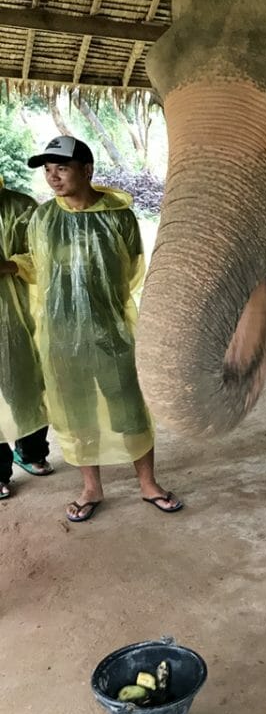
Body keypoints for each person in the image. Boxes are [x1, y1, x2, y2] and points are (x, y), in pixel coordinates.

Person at [5, 135, 181, 521]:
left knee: (129, 406)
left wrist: (102, 304)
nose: (53, 177)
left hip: (110, 327)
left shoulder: (119, 216)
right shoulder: (43, 218)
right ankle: (91, 488)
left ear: (87, 171)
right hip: (61, 333)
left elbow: (132, 269)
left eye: (61, 168)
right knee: (76, 410)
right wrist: (12, 266)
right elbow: (36, 267)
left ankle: (148, 483)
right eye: (48, 170)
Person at [0, 176, 51, 499]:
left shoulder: (21, 208)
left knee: (27, 382)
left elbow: (44, 256)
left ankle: (32, 452)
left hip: (16, 313)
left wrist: (7, 265)